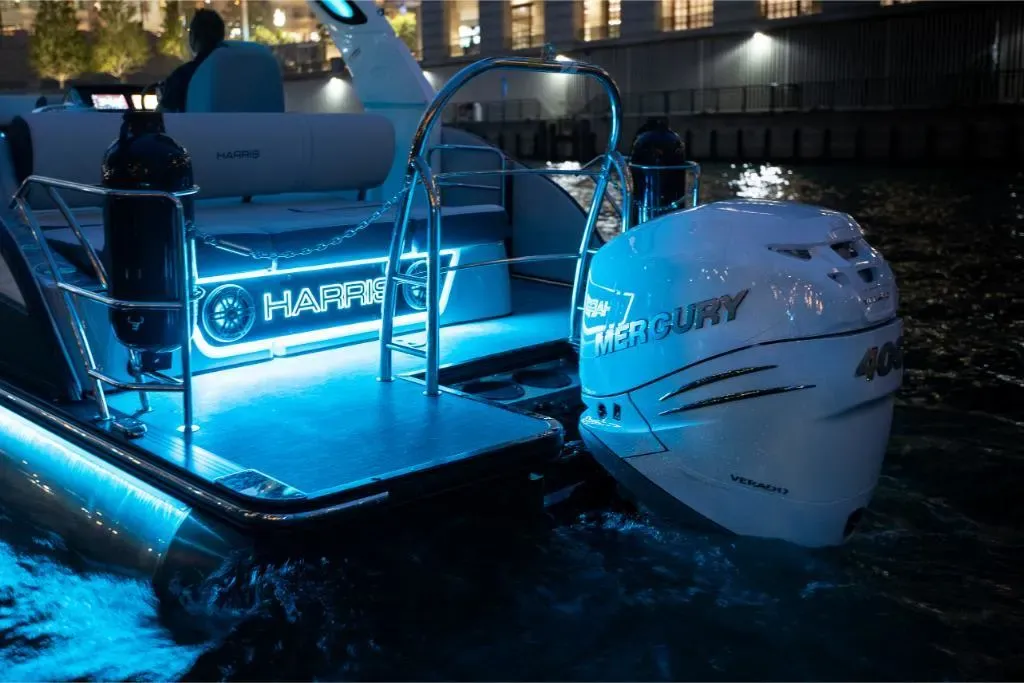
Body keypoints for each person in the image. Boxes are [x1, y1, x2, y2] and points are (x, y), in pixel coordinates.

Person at [158, 8, 226, 113]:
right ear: (222, 37)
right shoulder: (238, 74)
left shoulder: (183, 76)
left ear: (193, 38)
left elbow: (160, 116)